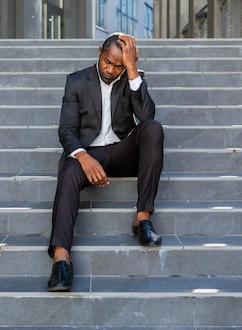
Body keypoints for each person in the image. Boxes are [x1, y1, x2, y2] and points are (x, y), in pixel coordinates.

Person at [47, 32, 164, 292]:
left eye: (118, 65)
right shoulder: (76, 82)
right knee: (68, 171)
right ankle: (61, 260)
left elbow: (146, 117)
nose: (111, 69)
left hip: (121, 151)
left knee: (153, 128)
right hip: (88, 152)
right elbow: (66, 130)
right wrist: (83, 156)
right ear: (99, 52)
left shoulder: (132, 78)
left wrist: (132, 69)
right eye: (107, 62)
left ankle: (142, 219)